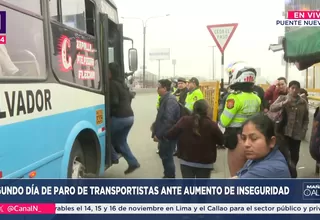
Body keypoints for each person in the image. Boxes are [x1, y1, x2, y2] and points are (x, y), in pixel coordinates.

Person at [220, 62, 261, 177]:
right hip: (253, 138)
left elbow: (224, 122)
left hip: (237, 140)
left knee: (236, 176)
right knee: (250, 175)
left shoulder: (234, 98)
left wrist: (220, 111)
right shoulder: (256, 97)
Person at [166, 99, 223, 178]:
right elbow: (221, 141)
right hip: (205, 164)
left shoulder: (184, 120)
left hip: (186, 161)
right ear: (207, 110)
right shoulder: (211, 124)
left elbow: (170, 135)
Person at [234, 113, 291, 178]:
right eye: (243, 138)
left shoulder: (270, 170)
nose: (246, 144)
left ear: (271, 142)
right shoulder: (258, 156)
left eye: (254, 138)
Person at [269, 80, 309, 170]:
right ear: (289, 89)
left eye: (297, 88)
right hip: (283, 132)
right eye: (292, 88)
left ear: (299, 90)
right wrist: (283, 103)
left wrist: (304, 131)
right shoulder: (282, 98)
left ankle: (292, 173)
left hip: (296, 134)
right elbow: (272, 108)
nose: (294, 90)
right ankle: (283, 172)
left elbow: (306, 119)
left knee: (295, 155)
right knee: (283, 154)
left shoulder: (303, 102)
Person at [109, 62, 140, 174]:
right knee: (121, 141)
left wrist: (110, 114)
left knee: (105, 136)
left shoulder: (112, 83)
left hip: (120, 118)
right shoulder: (123, 84)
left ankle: (113, 157)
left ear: (110, 72)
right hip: (130, 117)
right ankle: (133, 163)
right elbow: (130, 97)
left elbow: (115, 102)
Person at [152, 79, 180, 178]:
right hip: (165, 134)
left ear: (164, 88)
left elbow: (168, 121)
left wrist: (158, 135)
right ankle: (167, 175)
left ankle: (170, 177)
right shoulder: (165, 98)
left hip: (168, 135)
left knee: (167, 157)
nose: (157, 89)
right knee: (164, 155)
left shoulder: (170, 100)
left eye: (159, 87)